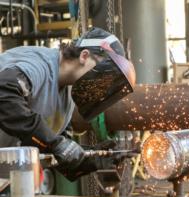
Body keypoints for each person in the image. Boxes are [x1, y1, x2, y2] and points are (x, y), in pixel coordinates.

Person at [0, 27, 136, 181]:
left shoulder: (68, 97)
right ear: (84, 56)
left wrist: (88, 158)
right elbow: (4, 96)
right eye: (104, 75)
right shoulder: (39, 65)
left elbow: (54, 149)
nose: (102, 84)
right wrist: (54, 142)